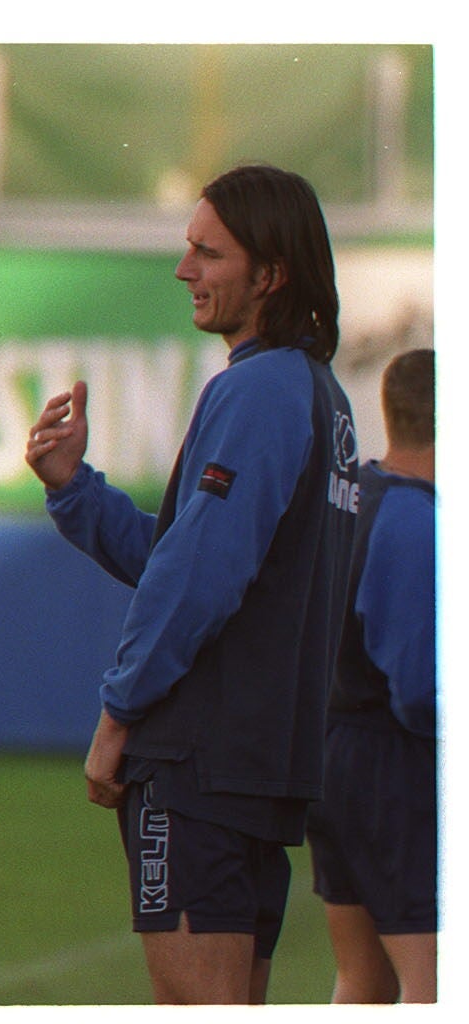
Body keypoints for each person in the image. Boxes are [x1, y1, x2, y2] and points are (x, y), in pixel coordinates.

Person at [24, 164, 359, 1003]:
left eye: (208, 254)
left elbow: (197, 576)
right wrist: (76, 489)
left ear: (271, 273)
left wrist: (119, 711)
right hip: (264, 765)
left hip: (200, 765)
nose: (185, 272)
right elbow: (191, 556)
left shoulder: (257, 389)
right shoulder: (322, 395)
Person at [304, 348, 436, 1003]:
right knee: (435, 983)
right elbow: (418, 689)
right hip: (392, 767)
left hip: (333, 751)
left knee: (363, 975)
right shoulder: (416, 519)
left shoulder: (351, 492)